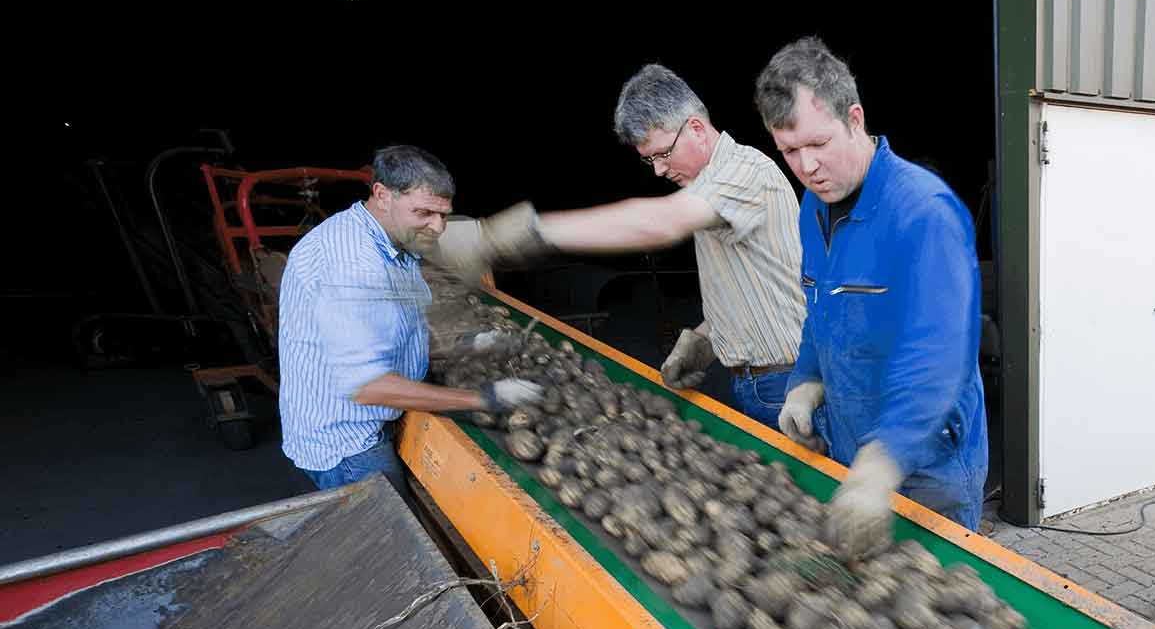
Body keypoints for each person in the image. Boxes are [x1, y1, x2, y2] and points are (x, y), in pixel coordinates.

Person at [432, 65, 806, 430]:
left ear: (695, 127)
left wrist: (506, 235)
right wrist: (707, 339)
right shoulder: (710, 189)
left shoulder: (745, 173)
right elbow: (753, 279)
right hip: (754, 381)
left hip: (786, 381)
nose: (658, 170)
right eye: (649, 159)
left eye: (663, 153)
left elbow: (660, 223)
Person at [756, 38, 988, 555]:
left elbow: (941, 354)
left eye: (819, 143)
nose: (807, 165)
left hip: (929, 463)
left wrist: (883, 462)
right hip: (849, 446)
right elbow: (822, 309)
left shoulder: (924, 212)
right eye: (790, 151)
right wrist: (804, 382)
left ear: (855, 119)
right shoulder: (811, 210)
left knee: (938, 603)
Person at [278, 145, 542, 491]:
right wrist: (484, 398)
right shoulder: (354, 266)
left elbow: (393, 327)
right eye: (424, 213)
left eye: (444, 214)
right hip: (349, 443)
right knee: (389, 537)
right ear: (382, 194)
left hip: (369, 417)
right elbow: (368, 387)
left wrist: (469, 343)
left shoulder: (392, 241)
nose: (437, 227)